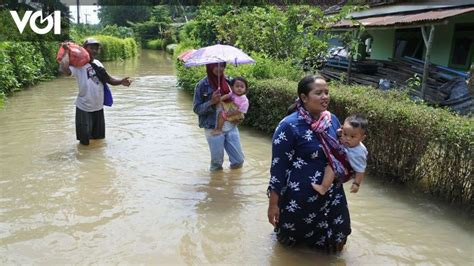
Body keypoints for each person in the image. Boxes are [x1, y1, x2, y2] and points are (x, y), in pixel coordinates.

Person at [267, 75, 351, 252]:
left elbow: (341, 150)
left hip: (331, 194)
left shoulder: (332, 120)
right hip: (300, 199)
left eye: (327, 92)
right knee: (291, 248)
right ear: (304, 98)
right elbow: (278, 168)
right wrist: (273, 204)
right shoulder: (288, 126)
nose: (325, 97)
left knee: (336, 242)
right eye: (319, 93)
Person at [59, 38, 132, 145]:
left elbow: (108, 79)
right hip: (84, 108)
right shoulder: (78, 65)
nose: (94, 51)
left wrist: (121, 81)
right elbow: (65, 71)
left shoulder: (98, 63)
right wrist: (66, 51)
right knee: (84, 143)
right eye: (91, 48)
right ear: (84, 49)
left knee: (99, 141)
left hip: (98, 108)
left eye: (96, 49)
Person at [193, 62, 245, 171]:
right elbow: (197, 109)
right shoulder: (202, 85)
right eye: (216, 66)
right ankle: (215, 186)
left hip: (231, 125)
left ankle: (232, 185)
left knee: (238, 161)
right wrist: (211, 102)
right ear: (210, 67)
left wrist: (238, 115)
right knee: (217, 164)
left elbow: (240, 97)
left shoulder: (229, 81)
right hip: (213, 127)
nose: (219, 68)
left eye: (222, 66)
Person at [312, 114, 368, 195]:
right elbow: (340, 134)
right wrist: (340, 134)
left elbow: (360, 171)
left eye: (352, 136)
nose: (347, 138)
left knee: (331, 167)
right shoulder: (348, 140)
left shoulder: (358, 153)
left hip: (346, 171)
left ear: (362, 138)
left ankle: (323, 188)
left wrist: (356, 184)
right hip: (342, 160)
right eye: (345, 134)